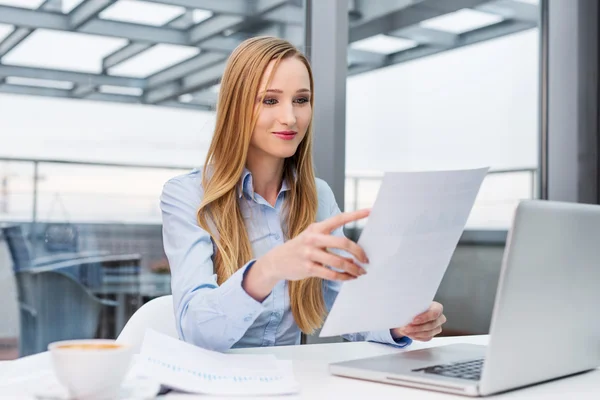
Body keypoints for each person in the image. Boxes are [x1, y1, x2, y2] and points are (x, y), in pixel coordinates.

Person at [160, 36, 447, 352]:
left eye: (301, 100)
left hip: (293, 383)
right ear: (236, 107)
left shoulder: (318, 196)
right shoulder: (187, 196)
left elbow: (342, 303)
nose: (290, 118)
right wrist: (268, 269)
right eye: (270, 100)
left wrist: (396, 323)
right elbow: (196, 332)